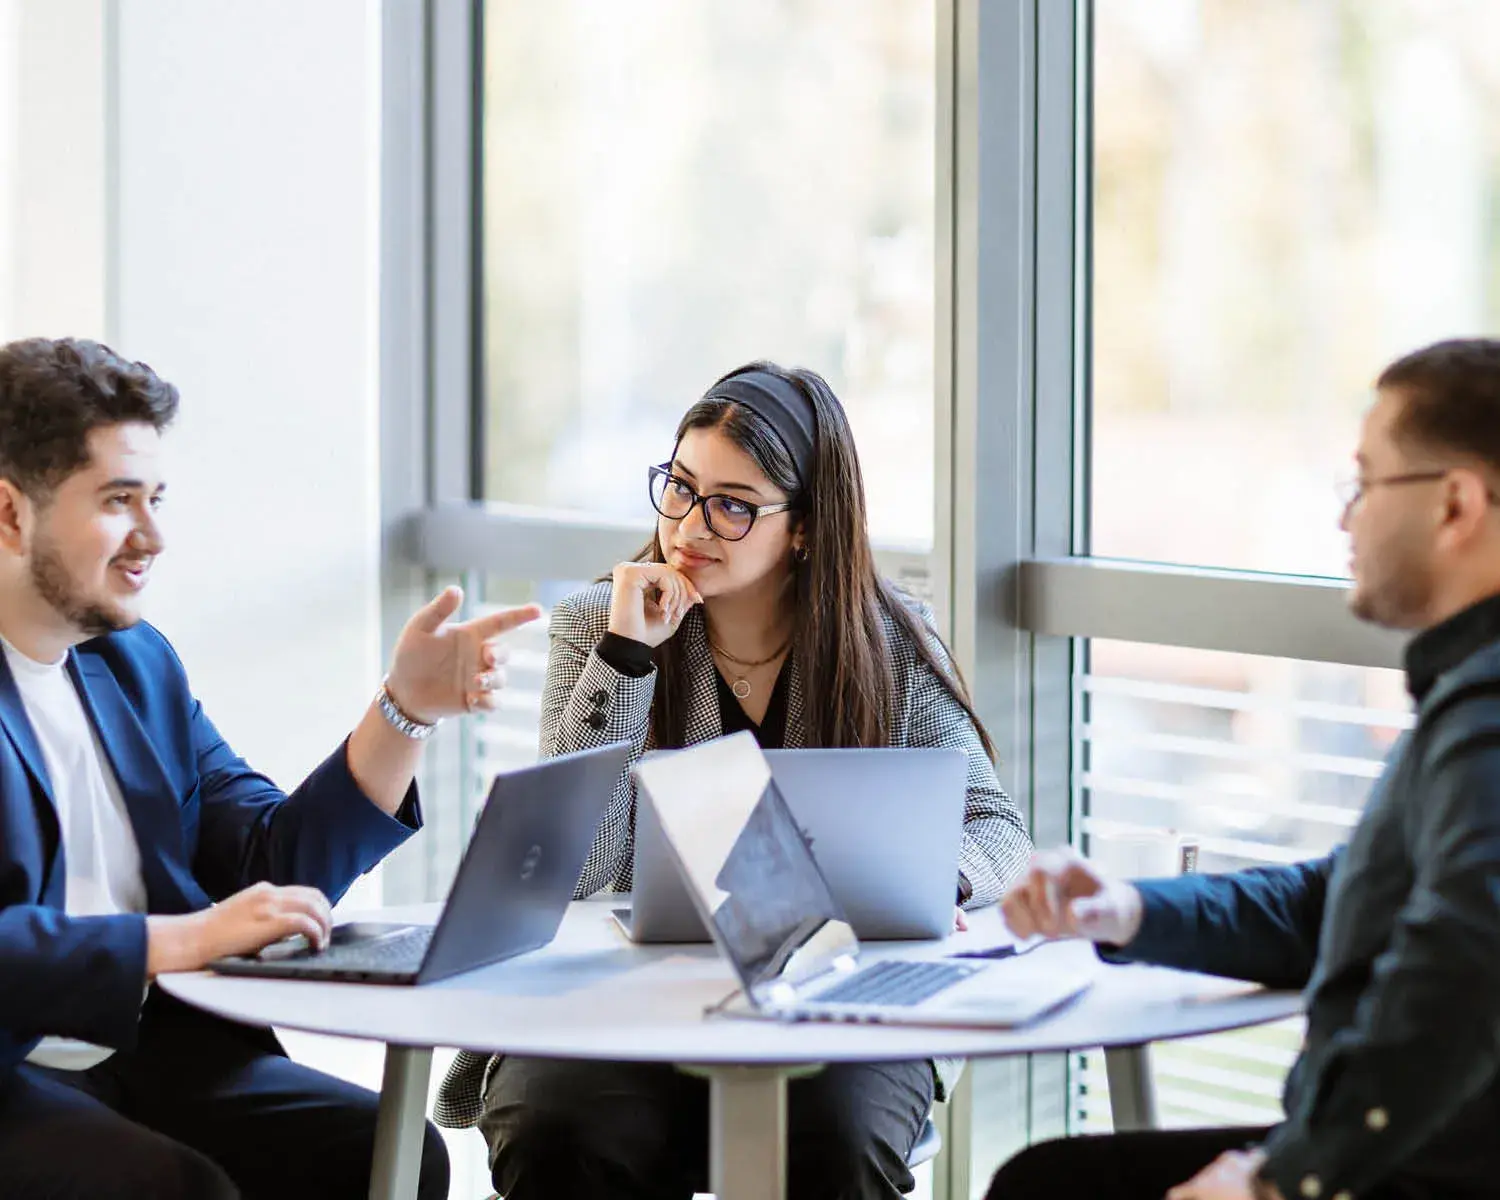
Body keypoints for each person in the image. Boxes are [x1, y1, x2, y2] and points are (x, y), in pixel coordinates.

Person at [435, 361, 1033, 1198]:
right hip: (632, 994)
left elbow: (997, 830)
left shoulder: (893, 639)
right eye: (679, 487)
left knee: (835, 1136)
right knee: (556, 1126)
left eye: (733, 505)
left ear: (805, 528)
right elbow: (574, 866)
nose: (690, 525)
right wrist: (629, 658)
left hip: (834, 994)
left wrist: (941, 878)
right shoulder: (596, 624)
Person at [0, 336, 541, 1200]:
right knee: (175, 1186)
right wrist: (179, 939)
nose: (153, 536)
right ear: (11, 513)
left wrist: (405, 709)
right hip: (14, 1071)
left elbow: (268, 871)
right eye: (116, 500)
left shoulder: (136, 666)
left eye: (157, 498)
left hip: (153, 1050)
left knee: (393, 1156)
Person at [989, 337, 1500, 1200]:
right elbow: (1334, 900)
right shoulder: (1462, 692)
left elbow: (1472, 963)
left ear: (1456, 506)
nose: (1347, 518)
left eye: (1366, 484)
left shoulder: (1485, 711)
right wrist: (1125, 909)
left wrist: (1284, 1179)